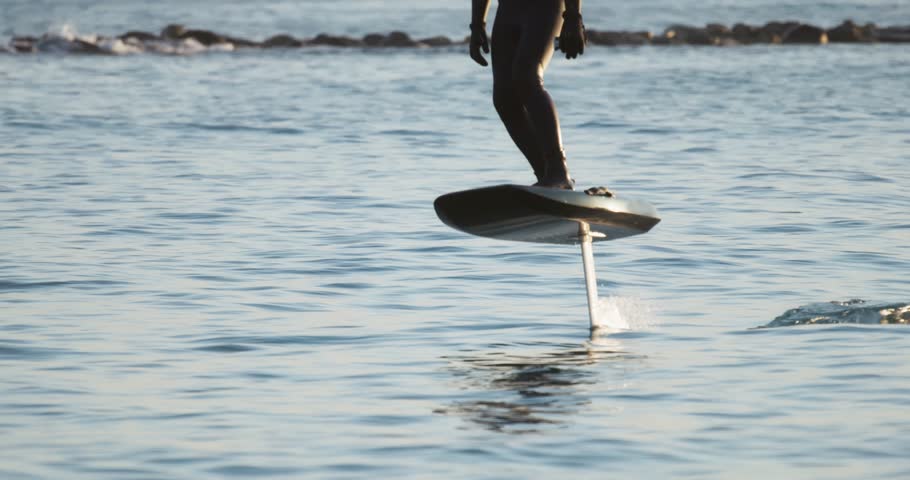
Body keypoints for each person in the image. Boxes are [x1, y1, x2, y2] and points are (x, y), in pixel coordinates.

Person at [470, 0, 586, 190]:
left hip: (545, 8)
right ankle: (545, 176)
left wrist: (574, 17)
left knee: (527, 78)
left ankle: (558, 171)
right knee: (504, 98)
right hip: (508, 10)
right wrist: (477, 25)